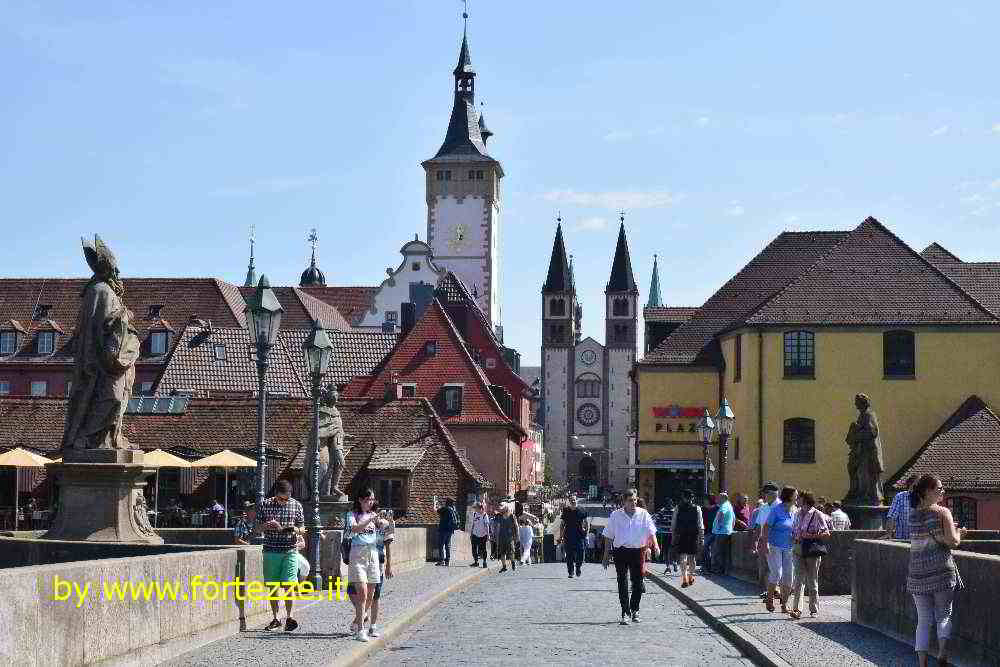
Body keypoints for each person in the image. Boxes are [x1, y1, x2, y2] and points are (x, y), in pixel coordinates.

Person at [908, 474, 966, 667]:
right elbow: (952, 541)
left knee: (923, 620)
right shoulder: (942, 512)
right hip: (941, 571)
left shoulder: (913, 514)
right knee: (944, 614)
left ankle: (922, 662)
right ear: (927, 491)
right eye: (939, 488)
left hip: (917, 573)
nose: (943, 491)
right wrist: (961, 533)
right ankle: (942, 654)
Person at [602, 488, 659, 625]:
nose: (633, 503)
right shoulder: (616, 515)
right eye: (630, 500)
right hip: (620, 551)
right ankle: (625, 612)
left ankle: (635, 609)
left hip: (638, 551)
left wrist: (655, 546)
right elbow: (608, 536)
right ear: (624, 502)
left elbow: (651, 531)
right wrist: (605, 555)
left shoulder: (643, 514)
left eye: (634, 500)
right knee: (622, 582)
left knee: (638, 583)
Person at [256, 479, 305, 632]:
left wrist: (294, 530)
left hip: (290, 550)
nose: (284, 502)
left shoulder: (296, 504)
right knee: (273, 587)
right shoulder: (265, 504)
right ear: (276, 494)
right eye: (281, 499)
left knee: (289, 585)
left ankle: (289, 617)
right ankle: (276, 619)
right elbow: (256, 528)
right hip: (271, 550)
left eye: (287, 498)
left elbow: (302, 528)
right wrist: (266, 526)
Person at [345, 488, 390, 642]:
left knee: (371, 594)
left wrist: (382, 522)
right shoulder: (352, 515)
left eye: (372, 500)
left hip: (373, 554)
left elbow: (384, 527)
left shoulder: (373, 515)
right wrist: (370, 520)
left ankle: (358, 621)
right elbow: (355, 529)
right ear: (360, 500)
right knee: (362, 593)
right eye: (367, 500)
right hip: (358, 553)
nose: (370, 503)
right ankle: (361, 631)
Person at [789, 491, 830, 619]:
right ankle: (797, 609)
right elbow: (794, 530)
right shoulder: (797, 513)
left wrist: (810, 536)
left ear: (805, 500)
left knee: (812, 581)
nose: (797, 500)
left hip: (812, 549)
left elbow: (826, 533)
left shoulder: (817, 514)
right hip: (797, 548)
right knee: (798, 580)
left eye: (799, 498)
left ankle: (813, 609)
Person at [762, 486, 797, 614]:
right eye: (795, 495)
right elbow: (766, 526)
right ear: (789, 496)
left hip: (789, 547)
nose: (797, 497)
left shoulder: (794, 510)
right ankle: (770, 599)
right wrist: (764, 543)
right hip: (774, 545)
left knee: (789, 577)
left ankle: (784, 604)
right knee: (777, 573)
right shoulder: (776, 510)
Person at [670, 488, 703, 587]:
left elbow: (673, 523)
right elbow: (700, 524)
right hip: (693, 535)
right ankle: (690, 576)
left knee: (683, 557)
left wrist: (673, 536)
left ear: (683, 498)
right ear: (692, 498)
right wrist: (701, 538)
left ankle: (684, 577)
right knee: (692, 558)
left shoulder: (677, 508)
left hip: (681, 534)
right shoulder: (697, 508)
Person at [752, 483, 780, 602]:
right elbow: (758, 525)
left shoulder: (781, 506)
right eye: (763, 493)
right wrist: (755, 540)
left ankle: (775, 591)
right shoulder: (763, 507)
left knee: (775, 568)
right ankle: (769, 591)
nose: (763, 495)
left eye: (765, 493)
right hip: (764, 541)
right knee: (763, 568)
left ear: (773, 493)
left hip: (777, 541)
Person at [559, 494, 589, 578]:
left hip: (579, 536)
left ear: (577, 500)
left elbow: (586, 522)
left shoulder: (582, 510)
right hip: (568, 536)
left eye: (574, 500)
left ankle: (578, 567)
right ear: (569, 501)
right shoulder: (566, 510)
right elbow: (562, 524)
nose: (573, 501)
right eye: (571, 500)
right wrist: (561, 536)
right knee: (569, 555)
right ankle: (570, 572)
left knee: (580, 553)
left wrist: (586, 533)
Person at [886, 474, 918, 541]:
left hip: (919, 541)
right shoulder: (900, 497)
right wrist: (889, 534)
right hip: (902, 540)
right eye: (916, 485)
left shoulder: (923, 498)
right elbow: (891, 516)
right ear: (910, 484)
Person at [711, 492, 735, 575]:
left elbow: (721, 514)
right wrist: (731, 528)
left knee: (718, 551)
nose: (717, 500)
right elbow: (734, 519)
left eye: (719, 498)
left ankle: (719, 570)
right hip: (727, 531)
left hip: (722, 532)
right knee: (724, 552)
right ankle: (725, 570)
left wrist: (719, 526)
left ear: (723, 498)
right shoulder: (729, 505)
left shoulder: (724, 505)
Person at [496, 503, 519, 572]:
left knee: (511, 552)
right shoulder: (499, 516)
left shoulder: (512, 516)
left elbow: (516, 526)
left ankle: (513, 563)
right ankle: (504, 566)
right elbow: (498, 527)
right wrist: (497, 537)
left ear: (506, 509)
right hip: (501, 537)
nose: (501, 510)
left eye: (503, 508)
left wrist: (517, 536)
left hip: (510, 537)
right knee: (502, 552)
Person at [436, 498, 459, 566]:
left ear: (447, 502)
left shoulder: (445, 509)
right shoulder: (453, 510)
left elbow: (438, 510)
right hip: (450, 530)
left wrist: (438, 505)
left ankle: (441, 560)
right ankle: (447, 561)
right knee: (448, 545)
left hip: (443, 530)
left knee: (441, 545)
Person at [469, 501, 490, 568]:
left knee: (483, 549)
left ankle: (484, 562)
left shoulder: (484, 515)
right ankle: (476, 562)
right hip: (475, 534)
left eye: (476, 508)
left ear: (479, 508)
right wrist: (471, 533)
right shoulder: (475, 514)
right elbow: (473, 524)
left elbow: (487, 526)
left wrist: (488, 535)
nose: (475, 509)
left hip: (483, 535)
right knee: (474, 548)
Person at [701, 496, 719, 573]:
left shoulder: (717, 508)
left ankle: (712, 567)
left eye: (706, 500)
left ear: (709, 500)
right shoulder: (703, 509)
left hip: (715, 532)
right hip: (706, 532)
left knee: (714, 551)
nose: (704, 501)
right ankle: (707, 566)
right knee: (705, 549)